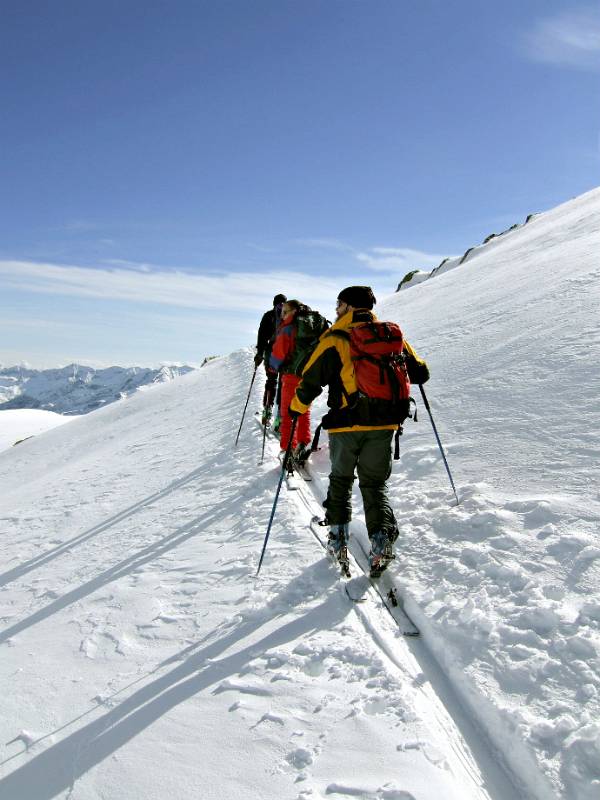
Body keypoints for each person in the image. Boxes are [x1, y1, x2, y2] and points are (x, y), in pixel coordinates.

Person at [289, 285, 429, 576]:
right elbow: (421, 373)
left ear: (349, 307)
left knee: (341, 480)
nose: (336, 309)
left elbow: (310, 379)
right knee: (375, 485)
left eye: (339, 304)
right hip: (385, 425)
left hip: (346, 425)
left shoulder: (336, 338)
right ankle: (381, 541)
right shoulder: (391, 336)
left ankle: (338, 540)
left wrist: (295, 408)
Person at [269, 299, 328, 463]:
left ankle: (287, 450)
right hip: (310, 375)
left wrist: (273, 366)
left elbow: (278, 354)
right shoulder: (313, 325)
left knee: (288, 413)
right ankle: (303, 443)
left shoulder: (288, 327)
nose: (282, 315)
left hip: (291, 375)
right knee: (303, 410)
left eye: (284, 312)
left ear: (292, 311)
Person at [255, 294, 286, 427]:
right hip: (284, 354)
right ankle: (279, 418)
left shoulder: (269, 316)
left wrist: (260, 353)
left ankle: (267, 412)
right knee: (282, 385)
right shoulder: (289, 316)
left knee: (271, 382)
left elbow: (262, 335)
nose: (280, 307)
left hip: (272, 353)